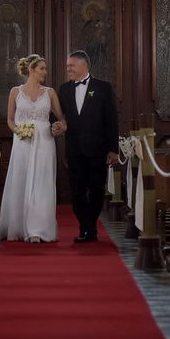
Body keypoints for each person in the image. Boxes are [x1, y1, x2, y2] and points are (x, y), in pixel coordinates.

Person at [0, 55, 66, 242]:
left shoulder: (50, 93)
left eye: (45, 68)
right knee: (21, 179)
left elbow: (62, 119)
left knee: (42, 182)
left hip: (44, 141)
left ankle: (38, 229)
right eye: (42, 68)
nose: (45, 72)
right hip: (23, 142)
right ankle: (18, 226)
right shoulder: (15, 92)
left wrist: (59, 127)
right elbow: (10, 120)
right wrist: (18, 130)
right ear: (32, 69)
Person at [52, 50, 119, 243]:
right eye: (67, 66)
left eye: (71, 65)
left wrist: (113, 149)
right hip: (74, 150)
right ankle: (85, 227)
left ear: (84, 65)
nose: (68, 69)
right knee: (77, 191)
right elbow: (57, 116)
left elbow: (111, 120)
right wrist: (55, 126)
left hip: (97, 149)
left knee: (97, 189)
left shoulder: (104, 87)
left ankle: (90, 227)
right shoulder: (64, 89)